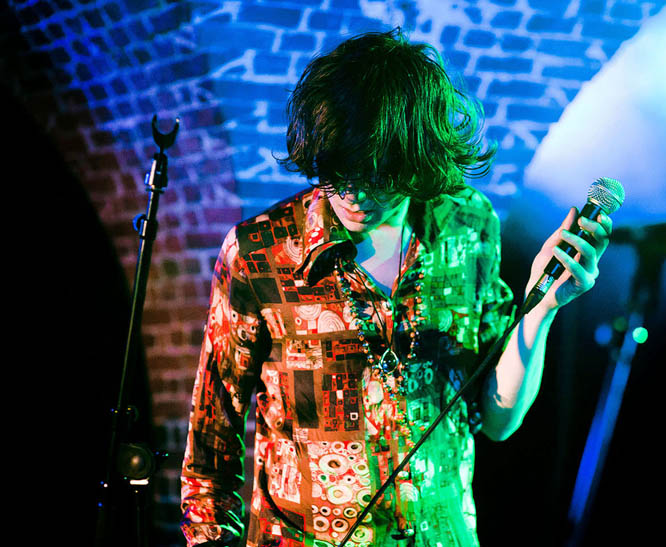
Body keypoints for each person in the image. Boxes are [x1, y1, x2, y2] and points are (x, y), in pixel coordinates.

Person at [180, 28, 612, 547]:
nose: (354, 193)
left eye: (377, 174)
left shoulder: (468, 225)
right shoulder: (259, 254)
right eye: (337, 172)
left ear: (417, 157)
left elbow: (497, 420)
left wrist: (541, 309)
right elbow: (210, 447)